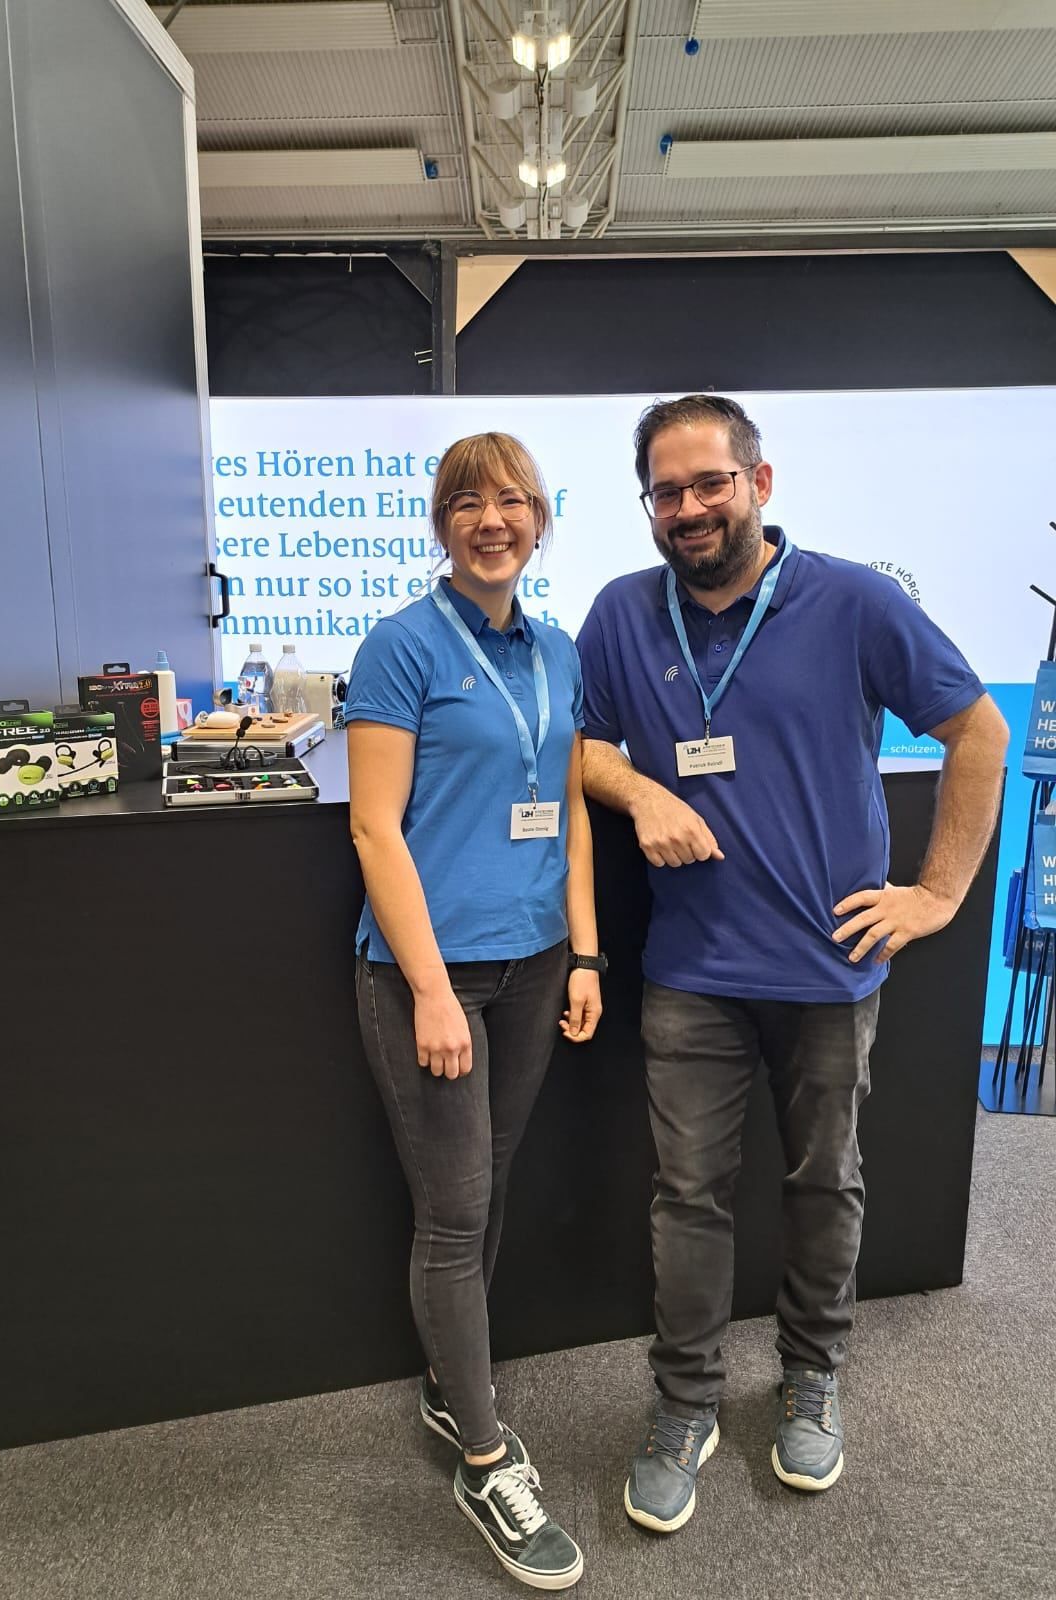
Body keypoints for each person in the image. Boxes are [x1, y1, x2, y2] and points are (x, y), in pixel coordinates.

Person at [576, 393, 1008, 1533]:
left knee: (825, 1183)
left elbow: (980, 731)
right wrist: (640, 787)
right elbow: (581, 743)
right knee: (687, 1197)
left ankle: (812, 1377)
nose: (688, 507)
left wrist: (940, 893)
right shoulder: (625, 613)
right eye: (666, 491)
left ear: (759, 484)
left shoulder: (855, 598)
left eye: (709, 482)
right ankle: (685, 1402)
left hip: (829, 971)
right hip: (691, 972)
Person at [346, 431, 603, 1590]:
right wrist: (435, 991)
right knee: (454, 1212)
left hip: (538, 962)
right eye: (467, 502)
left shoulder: (556, 649)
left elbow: (572, 809)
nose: (491, 518)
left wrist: (587, 952)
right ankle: (487, 1460)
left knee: (490, 1185)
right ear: (442, 524)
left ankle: (456, 1398)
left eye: (513, 501)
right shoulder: (401, 645)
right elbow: (373, 828)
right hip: (428, 979)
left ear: (542, 519)